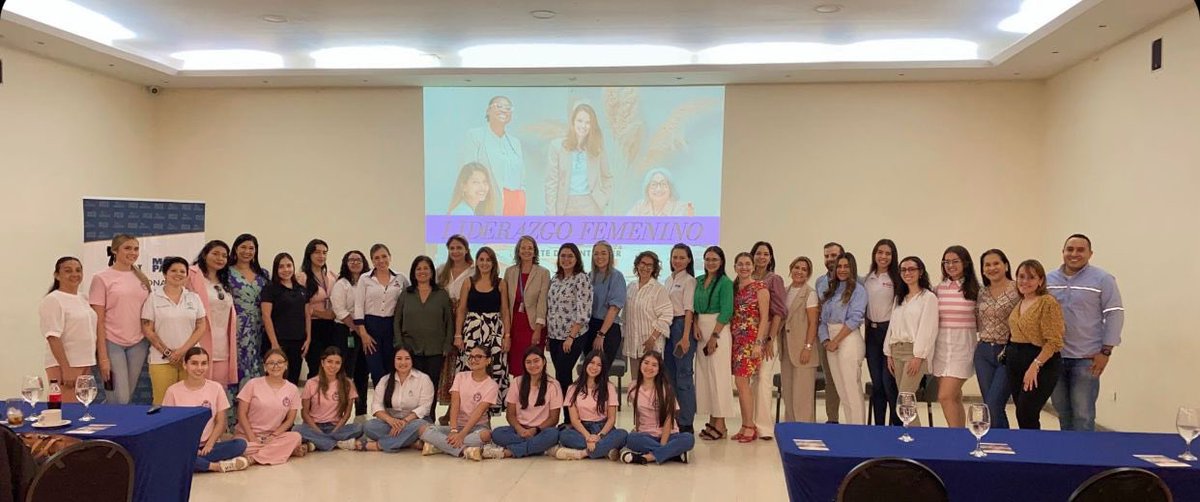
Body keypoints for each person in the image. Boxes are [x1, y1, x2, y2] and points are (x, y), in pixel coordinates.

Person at [1046, 234, 1123, 431]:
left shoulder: (1103, 279)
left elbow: (1115, 314)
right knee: (1062, 411)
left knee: (1083, 414)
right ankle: (1068, 457)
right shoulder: (1048, 279)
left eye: (1080, 250)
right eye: (1070, 249)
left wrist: (1106, 351)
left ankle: (1085, 458)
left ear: (1090, 253)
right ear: (1063, 252)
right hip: (1055, 357)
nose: (1074, 254)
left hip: (1087, 359)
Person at [162, 347, 249, 473]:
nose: (199, 368)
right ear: (185, 365)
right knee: (170, 454)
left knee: (240, 444)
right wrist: (189, 448)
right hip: (183, 446)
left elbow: (220, 422)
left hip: (208, 445)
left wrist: (210, 444)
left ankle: (195, 462)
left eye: (203, 363)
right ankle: (216, 466)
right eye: (194, 363)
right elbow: (169, 427)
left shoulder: (216, 388)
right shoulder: (173, 391)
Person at [89, 233, 151, 404]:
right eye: (127, 248)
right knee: (119, 397)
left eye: (136, 248)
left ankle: (107, 422)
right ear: (115, 251)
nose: (133, 252)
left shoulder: (142, 278)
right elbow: (98, 320)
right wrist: (103, 357)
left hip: (138, 343)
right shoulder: (101, 278)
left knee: (124, 397)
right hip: (112, 342)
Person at [472, 348, 562, 460]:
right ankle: (539, 447)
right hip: (519, 430)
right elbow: (510, 415)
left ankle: (508, 452)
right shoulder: (517, 382)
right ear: (524, 365)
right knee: (497, 433)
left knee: (553, 434)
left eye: (536, 361)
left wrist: (535, 430)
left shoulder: (553, 384)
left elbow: (554, 419)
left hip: (540, 430)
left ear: (543, 362)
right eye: (528, 362)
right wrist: (520, 429)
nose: (533, 365)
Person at [394, 255, 454, 422]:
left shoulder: (441, 294)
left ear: (432, 272)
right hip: (410, 348)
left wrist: (447, 344)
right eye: (418, 268)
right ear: (413, 272)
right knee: (413, 386)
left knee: (430, 386)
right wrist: (400, 345)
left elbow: (449, 321)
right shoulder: (406, 294)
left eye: (426, 268)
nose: (422, 271)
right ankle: (412, 420)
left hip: (435, 349)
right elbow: (396, 320)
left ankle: (429, 419)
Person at [141, 256, 208, 405]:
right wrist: (167, 352)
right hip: (161, 359)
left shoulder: (193, 298)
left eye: (182, 271)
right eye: (173, 271)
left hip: (191, 359)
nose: (178, 274)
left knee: (189, 401)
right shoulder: (153, 298)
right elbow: (147, 329)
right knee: (162, 401)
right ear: (165, 274)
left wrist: (183, 351)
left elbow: (201, 326)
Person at [341, 346, 434, 452]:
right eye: (399, 358)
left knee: (421, 426)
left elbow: (425, 407)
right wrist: (391, 421)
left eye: (407, 358)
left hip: (414, 421)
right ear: (393, 360)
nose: (403, 362)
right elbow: (376, 407)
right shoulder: (384, 380)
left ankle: (377, 445)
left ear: (412, 360)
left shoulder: (423, 379)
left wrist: (404, 421)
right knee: (369, 426)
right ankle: (408, 442)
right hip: (391, 422)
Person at [1008, 260, 1066, 430]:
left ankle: (1034, 451)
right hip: (1016, 360)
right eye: (1021, 276)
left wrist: (1036, 364)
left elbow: (1054, 340)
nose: (1025, 281)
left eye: (1031, 277)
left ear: (1040, 280)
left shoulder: (1047, 302)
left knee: (1027, 411)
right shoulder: (1020, 302)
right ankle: (1026, 448)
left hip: (1041, 361)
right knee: (1021, 411)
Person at [883, 257, 938, 426]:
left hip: (914, 352)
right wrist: (888, 353)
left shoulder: (928, 298)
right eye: (904, 270)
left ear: (920, 272)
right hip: (896, 350)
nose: (907, 273)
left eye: (911, 269)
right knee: (904, 400)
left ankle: (917, 441)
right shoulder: (900, 298)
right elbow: (892, 325)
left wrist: (919, 356)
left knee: (905, 399)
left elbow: (928, 329)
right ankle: (911, 437)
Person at [455, 247, 511, 407]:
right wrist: (458, 334)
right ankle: (465, 409)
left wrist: (507, 336)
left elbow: (505, 311)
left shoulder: (501, 283)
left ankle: (487, 411)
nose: (485, 263)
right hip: (471, 331)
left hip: (494, 332)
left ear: (493, 263)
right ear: (477, 262)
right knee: (469, 367)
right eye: (482, 259)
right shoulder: (468, 282)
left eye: (488, 260)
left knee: (493, 368)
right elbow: (461, 309)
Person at [420, 346, 498, 458]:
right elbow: (455, 404)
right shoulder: (460, 376)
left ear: (488, 360)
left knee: (486, 435)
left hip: (477, 427)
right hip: (457, 425)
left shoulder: (492, 385)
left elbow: (478, 412)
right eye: (471, 357)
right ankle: (465, 450)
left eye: (478, 357)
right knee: (423, 429)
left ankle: (439, 446)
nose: (473, 360)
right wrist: (454, 430)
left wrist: (462, 435)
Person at [818, 253, 868, 425]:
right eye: (839, 266)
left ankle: (858, 429)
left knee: (851, 387)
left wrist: (836, 340)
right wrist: (826, 341)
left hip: (848, 339)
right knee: (841, 389)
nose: (842, 270)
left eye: (846, 266)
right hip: (830, 342)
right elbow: (822, 321)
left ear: (852, 268)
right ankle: (849, 427)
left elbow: (854, 319)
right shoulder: (831, 291)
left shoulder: (858, 291)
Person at [934, 245, 980, 428]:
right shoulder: (938, 289)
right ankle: (961, 436)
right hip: (941, 349)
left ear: (965, 263)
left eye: (955, 261)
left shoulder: (976, 290)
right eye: (947, 262)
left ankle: (955, 439)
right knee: (954, 397)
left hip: (963, 349)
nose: (950, 265)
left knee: (945, 396)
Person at [41, 257, 98, 402]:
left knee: (82, 408)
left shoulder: (83, 298)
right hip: (66, 364)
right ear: (57, 275)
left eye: (78, 270)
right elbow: (53, 337)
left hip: (85, 361)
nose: (74, 274)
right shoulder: (53, 299)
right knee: (68, 410)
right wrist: (65, 368)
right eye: (68, 271)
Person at [622, 351, 695, 465]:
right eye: (646, 363)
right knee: (631, 439)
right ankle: (673, 455)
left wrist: (663, 444)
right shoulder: (633, 387)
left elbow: (668, 420)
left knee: (688, 439)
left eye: (654, 365)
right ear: (640, 364)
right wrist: (637, 428)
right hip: (646, 434)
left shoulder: (666, 388)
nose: (649, 367)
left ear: (659, 369)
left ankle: (648, 457)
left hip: (669, 435)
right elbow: (638, 412)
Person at [354, 244, 410, 391]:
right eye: (376, 258)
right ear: (372, 261)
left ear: (390, 257)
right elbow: (359, 305)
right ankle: (380, 407)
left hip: (391, 326)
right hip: (371, 327)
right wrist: (363, 333)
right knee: (376, 369)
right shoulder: (365, 279)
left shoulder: (400, 278)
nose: (381, 260)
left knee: (391, 367)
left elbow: (409, 299)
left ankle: (391, 404)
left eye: (384, 256)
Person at [235, 349, 306, 465]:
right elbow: (241, 414)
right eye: (271, 363)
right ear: (265, 367)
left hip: (272, 437)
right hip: (247, 436)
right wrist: (252, 437)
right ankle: (279, 452)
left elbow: (290, 420)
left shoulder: (292, 389)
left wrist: (273, 436)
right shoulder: (253, 384)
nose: (275, 366)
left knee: (296, 437)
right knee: (240, 446)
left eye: (279, 362)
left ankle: (253, 459)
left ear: (286, 365)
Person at [554, 350, 629, 460]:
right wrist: (588, 437)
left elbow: (611, 419)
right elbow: (574, 420)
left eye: (599, 365)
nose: (594, 367)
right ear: (586, 364)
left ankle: (583, 453)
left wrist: (599, 436)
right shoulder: (572, 388)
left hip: (603, 428)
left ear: (603, 368)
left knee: (622, 434)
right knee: (564, 435)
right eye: (592, 363)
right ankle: (604, 451)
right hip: (582, 429)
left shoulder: (609, 387)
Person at [694, 246, 736, 441]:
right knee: (705, 378)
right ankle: (712, 420)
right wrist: (694, 324)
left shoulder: (726, 283)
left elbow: (727, 311)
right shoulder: (699, 281)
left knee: (719, 377)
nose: (711, 263)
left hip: (717, 329)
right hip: (700, 329)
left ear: (721, 262)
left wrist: (714, 337)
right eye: (707, 259)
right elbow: (693, 308)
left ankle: (721, 423)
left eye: (714, 259)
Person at [975, 249, 1019, 430]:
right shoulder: (981, 292)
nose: (992, 268)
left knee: (994, 404)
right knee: (991, 406)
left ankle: (1002, 444)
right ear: (983, 269)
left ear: (1006, 265)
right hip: (983, 351)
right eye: (987, 265)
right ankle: (1001, 445)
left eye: (996, 263)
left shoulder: (1018, 289)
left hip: (1007, 352)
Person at [461, 95, 527, 215]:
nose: (503, 110)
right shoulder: (475, 136)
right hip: (486, 205)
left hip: (514, 205)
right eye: (498, 106)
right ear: (488, 111)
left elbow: (521, 178)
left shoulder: (515, 142)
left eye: (508, 108)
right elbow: (467, 174)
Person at [545, 103, 613, 216]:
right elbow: (551, 184)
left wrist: (604, 199)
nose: (583, 126)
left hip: (592, 205)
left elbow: (607, 176)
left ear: (592, 126)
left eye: (588, 122)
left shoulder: (597, 148)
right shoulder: (556, 146)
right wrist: (551, 214)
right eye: (580, 121)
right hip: (565, 205)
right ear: (573, 122)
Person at [188, 240, 239, 387]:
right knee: (197, 390)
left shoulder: (225, 281)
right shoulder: (192, 274)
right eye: (215, 254)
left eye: (224, 255)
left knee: (217, 392)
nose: (220, 258)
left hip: (223, 346)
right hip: (199, 343)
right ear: (204, 255)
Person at [730, 252, 770, 442]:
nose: (744, 267)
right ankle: (745, 424)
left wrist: (759, 343)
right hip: (735, 340)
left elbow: (764, 318)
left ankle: (750, 426)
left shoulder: (760, 288)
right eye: (740, 264)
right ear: (735, 267)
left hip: (750, 341)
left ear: (753, 267)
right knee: (740, 384)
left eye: (747, 264)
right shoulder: (734, 287)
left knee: (742, 383)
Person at [435, 235, 474, 425]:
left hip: (465, 318)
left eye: (459, 247)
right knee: (446, 366)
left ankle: (457, 411)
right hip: (443, 319)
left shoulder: (474, 270)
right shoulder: (442, 270)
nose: (455, 251)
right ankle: (448, 408)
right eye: (452, 248)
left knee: (462, 365)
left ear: (466, 249)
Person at [546, 243, 592, 402]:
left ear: (577, 258)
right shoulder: (555, 279)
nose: (566, 259)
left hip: (573, 336)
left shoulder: (581, 278)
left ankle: (570, 417)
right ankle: (565, 416)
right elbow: (550, 308)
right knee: (559, 376)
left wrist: (571, 337)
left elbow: (583, 311)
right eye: (563, 256)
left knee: (564, 375)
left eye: (570, 256)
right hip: (554, 336)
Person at [749, 241, 786, 439]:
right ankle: (751, 423)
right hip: (748, 336)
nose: (761, 257)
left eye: (766, 254)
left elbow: (780, 312)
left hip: (768, 336)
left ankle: (764, 427)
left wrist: (770, 339)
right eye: (758, 253)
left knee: (763, 378)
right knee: (752, 379)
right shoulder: (745, 278)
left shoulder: (775, 280)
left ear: (771, 258)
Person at [863, 239, 901, 426]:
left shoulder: (897, 279)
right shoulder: (867, 279)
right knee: (877, 384)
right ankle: (879, 427)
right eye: (880, 252)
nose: (883, 256)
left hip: (890, 333)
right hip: (871, 334)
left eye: (887, 253)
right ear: (874, 254)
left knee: (889, 384)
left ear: (893, 257)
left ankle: (895, 427)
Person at [295, 347, 362, 451]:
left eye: (337, 363)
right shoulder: (311, 383)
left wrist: (336, 430)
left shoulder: (347, 383)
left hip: (335, 427)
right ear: (322, 363)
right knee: (296, 429)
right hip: (314, 426)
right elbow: (305, 413)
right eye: (329, 362)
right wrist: (317, 431)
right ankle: (337, 444)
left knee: (360, 428)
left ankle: (316, 443)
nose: (333, 366)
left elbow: (347, 414)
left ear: (341, 365)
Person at [779, 257, 819, 422]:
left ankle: (804, 429)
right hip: (787, 348)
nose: (799, 271)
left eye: (804, 269)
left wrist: (808, 347)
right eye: (797, 267)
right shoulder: (785, 291)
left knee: (802, 395)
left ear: (808, 274)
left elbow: (813, 323)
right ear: (791, 269)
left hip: (803, 350)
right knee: (788, 393)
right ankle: (790, 429)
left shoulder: (810, 294)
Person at [260, 253, 311, 385]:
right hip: (278, 341)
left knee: (293, 378)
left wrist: (308, 338)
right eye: (281, 267)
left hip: (298, 341)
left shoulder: (301, 290)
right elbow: (266, 316)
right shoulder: (270, 289)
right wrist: (274, 344)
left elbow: (307, 315)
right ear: (276, 269)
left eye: (289, 265)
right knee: (275, 378)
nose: (286, 269)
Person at [502, 236, 549, 377]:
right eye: (523, 248)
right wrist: (506, 331)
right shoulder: (510, 272)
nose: (526, 251)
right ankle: (518, 396)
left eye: (530, 248)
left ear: (535, 251)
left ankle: (535, 397)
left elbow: (543, 302)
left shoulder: (543, 273)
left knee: (534, 364)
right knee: (516, 365)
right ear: (518, 251)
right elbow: (505, 302)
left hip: (533, 326)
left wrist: (538, 329)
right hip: (514, 324)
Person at [622, 251, 673, 381]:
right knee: (635, 381)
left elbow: (666, 316)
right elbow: (625, 316)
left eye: (649, 265)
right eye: (642, 263)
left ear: (654, 268)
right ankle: (636, 402)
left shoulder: (658, 289)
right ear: (637, 265)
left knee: (651, 382)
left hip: (651, 343)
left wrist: (653, 338)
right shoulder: (630, 287)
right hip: (633, 343)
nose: (645, 267)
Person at [663, 244, 697, 432]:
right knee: (670, 376)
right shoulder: (668, 280)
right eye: (674, 257)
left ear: (689, 260)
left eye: (681, 258)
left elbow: (689, 309)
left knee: (683, 376)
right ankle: (673, 417)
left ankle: (686, 421)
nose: (677, 261)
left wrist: (685, 337)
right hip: (668, 327)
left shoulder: (689, 281)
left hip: (682, 326)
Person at [331, 250, 369, 417]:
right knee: (346, 374)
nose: (354, 262)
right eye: (351, 260)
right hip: (346, 332)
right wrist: (357, 329)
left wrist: (363, 331)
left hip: (366, 334)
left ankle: (361, 414)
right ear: (345, 263)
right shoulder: (341, 284)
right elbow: (339, 310)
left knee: (362, 373)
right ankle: (340, 414)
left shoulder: (369, 282)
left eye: (358, 259)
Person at [228, 233, 270, 382]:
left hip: (260, 325)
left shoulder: (263, 274)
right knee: (238, 361)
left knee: (257, 360)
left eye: (251, 248)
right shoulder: (227, 272)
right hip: (237, 325)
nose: (247, 251)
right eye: (243, 247)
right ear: (235, 249)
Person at [299, 239, 341, 380]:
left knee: (331, 368)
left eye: (324, 253)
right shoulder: (302, 277)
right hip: (313, 327)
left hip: (331, 327)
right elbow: (302, 307)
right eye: (317, 252)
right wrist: (320, 313)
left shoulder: (331, 275)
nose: (321, 256)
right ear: (309, 254)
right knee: (316, 367)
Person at [581, 241, 626, 365]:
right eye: (596, 254)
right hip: (590, 327)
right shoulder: (589, 276)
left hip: (607, 329)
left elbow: (614, 309)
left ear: (610, 255)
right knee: (589, 369)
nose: (599, 257)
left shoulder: (616, 276)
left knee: (601, 370)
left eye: (603, 253)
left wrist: (601, 335)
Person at [813, 242, 843, 422]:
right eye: (827, 256)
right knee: (830, 379)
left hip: (845, 336)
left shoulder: (856, 281)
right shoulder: (820, 282)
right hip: (824, 337)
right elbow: (820, 312)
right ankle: (832, 420)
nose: (830, 259)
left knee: (846, 379)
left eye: (834, 255)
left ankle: (856, 421)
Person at [625, 168, 694, 216]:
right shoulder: (640, 206)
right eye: (654, 184)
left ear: (670, 188)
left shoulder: (681, 208)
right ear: (647, 189)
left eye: (663, 184)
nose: (658, 189)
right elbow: (625, 226)